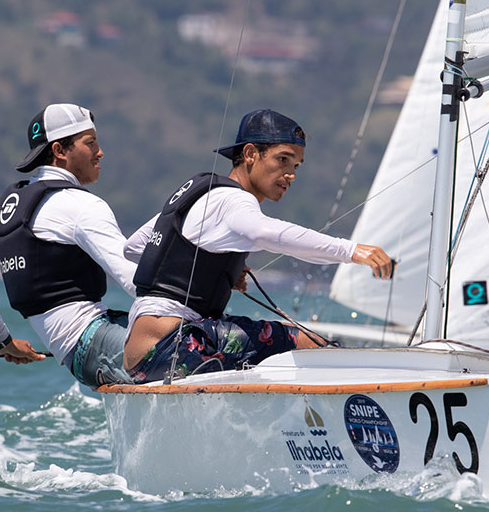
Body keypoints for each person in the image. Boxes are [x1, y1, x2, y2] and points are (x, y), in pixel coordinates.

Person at [122, 108, 393, 383]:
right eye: (282, 159)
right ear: (251, 154)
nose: (291, 175)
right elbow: (264, 232)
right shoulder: (234, 200)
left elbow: (133, 248)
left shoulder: (200, 193)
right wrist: (350, 251)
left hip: (141, 356)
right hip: (177, 343)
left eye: (296, 166)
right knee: (313, 345)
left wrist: (210, 270)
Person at [0, 103, 138, 388]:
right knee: (222, 343)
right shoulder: (81, 205)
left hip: (77, 357)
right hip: (98, 346)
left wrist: (1, 341)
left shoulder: (14, 210)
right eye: (90, 143)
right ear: (59, 151)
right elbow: (136, 281)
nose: (100, 152)